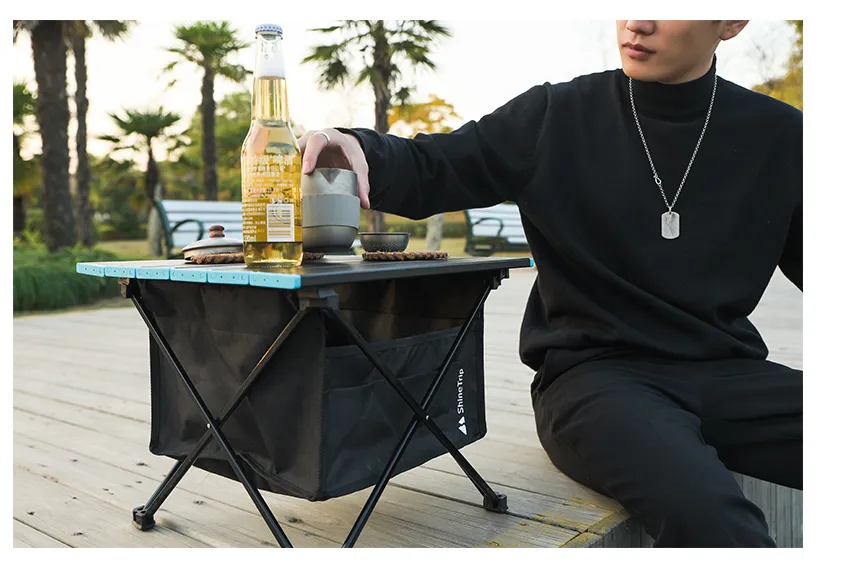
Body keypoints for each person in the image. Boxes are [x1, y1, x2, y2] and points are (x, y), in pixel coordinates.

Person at [297, 20, 802, 547]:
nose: (638, 21)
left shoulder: (782, 136)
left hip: (732, 374)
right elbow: (436, 165)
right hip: (596, 382)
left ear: (732, 21)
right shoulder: (556, 116)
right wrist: (355, 146)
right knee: (716, 521)